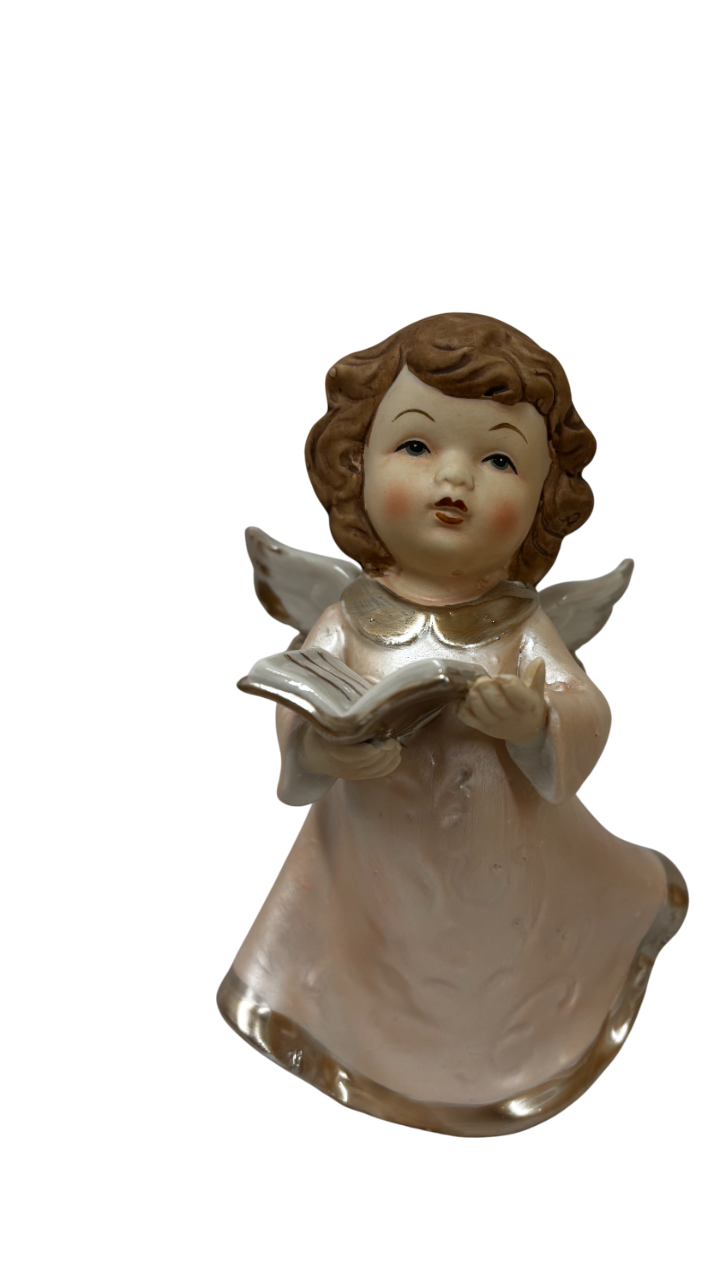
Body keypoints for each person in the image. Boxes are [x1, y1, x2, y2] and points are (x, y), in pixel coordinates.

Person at [219, 313, 688, 1135]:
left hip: (497, 856)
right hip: (371, 860)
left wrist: (535, 718)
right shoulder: (349, 617)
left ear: (543, 497)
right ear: (356, 464)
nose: (455, 478)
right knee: (381, 961)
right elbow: (304, 704)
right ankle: (367, 1045)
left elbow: (584, 706)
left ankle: (498, 1055)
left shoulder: (517, 625)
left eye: (499, 460)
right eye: (417, 445)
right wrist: (323, 743)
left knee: (484, 965)